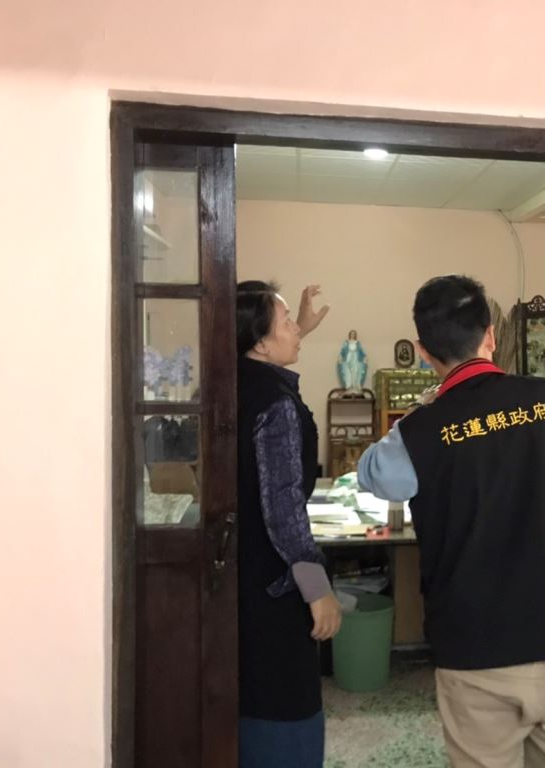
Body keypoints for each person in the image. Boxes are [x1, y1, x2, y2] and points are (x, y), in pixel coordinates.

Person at [357, 275, 545, 768]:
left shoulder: (417, 432)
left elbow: (371, 475)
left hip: (478, 651)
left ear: (424, 351)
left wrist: (425, 409)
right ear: (490, 335)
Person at [236, 280, 341, 768]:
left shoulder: (232, 382)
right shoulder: (276, 404)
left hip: (241, 571)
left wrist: (297, 327)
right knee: (285, 708)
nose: (296, 328)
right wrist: (317, 587)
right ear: (260, 342)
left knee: (248, 698)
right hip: (276, 583)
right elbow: (283, 507)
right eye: (285, 322)